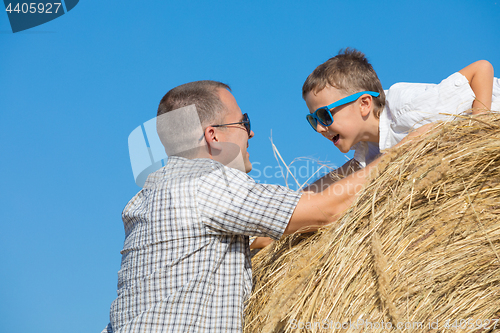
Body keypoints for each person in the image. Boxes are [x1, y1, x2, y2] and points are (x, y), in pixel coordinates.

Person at [103, 80, 380, 333]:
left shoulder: (157, 193)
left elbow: (274, 224)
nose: (252, 132)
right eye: (243, 122)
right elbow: (325, 211)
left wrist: (353, 167)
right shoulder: (207, 182)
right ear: (213, 135)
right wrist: (401, 153)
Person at [303, 48, 499, 189]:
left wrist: (477, 134)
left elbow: (481, 69)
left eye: (324, 115)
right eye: (313, 120)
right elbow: (343, 176)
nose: (320, 128)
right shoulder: (367, 146)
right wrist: (299, 200)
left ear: (364, 104)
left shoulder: (407, 108)